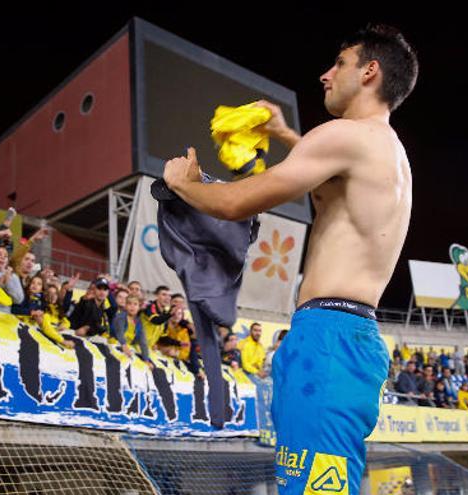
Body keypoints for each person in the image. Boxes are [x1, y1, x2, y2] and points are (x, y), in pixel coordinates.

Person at [163, 24, 417, 493]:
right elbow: (327, 178)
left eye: (339, 63)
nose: (325, 75)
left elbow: (238, 202)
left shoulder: (345, 135)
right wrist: (280, 132)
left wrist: (183, 184)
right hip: (350, 337)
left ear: (370, 71)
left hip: (326, 340)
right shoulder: (387, 151)